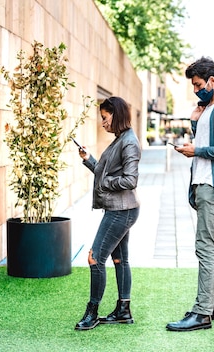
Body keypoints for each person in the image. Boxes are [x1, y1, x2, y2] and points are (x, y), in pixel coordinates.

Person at [166, 57, 214, 332]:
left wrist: (195, 151)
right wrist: (196, 124)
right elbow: (208, 142)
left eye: (198, 84)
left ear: (212, 80)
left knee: (206, 247)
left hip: (213, 186)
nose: (196, 90)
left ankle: (201, 313)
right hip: (206, 184)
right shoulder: (210, 108)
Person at [74, 96, 141, 331]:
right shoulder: (120, 139)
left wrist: (106, 183)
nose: (102, 123)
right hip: (120, 208)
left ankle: (92, 313)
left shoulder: (129, 142)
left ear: (117, 115)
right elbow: (105, 172)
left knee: (95, 257)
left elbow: (130, 180)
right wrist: (88, 159)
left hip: (122, 210)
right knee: (119, 259)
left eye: (104, 118)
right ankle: (123, 310)